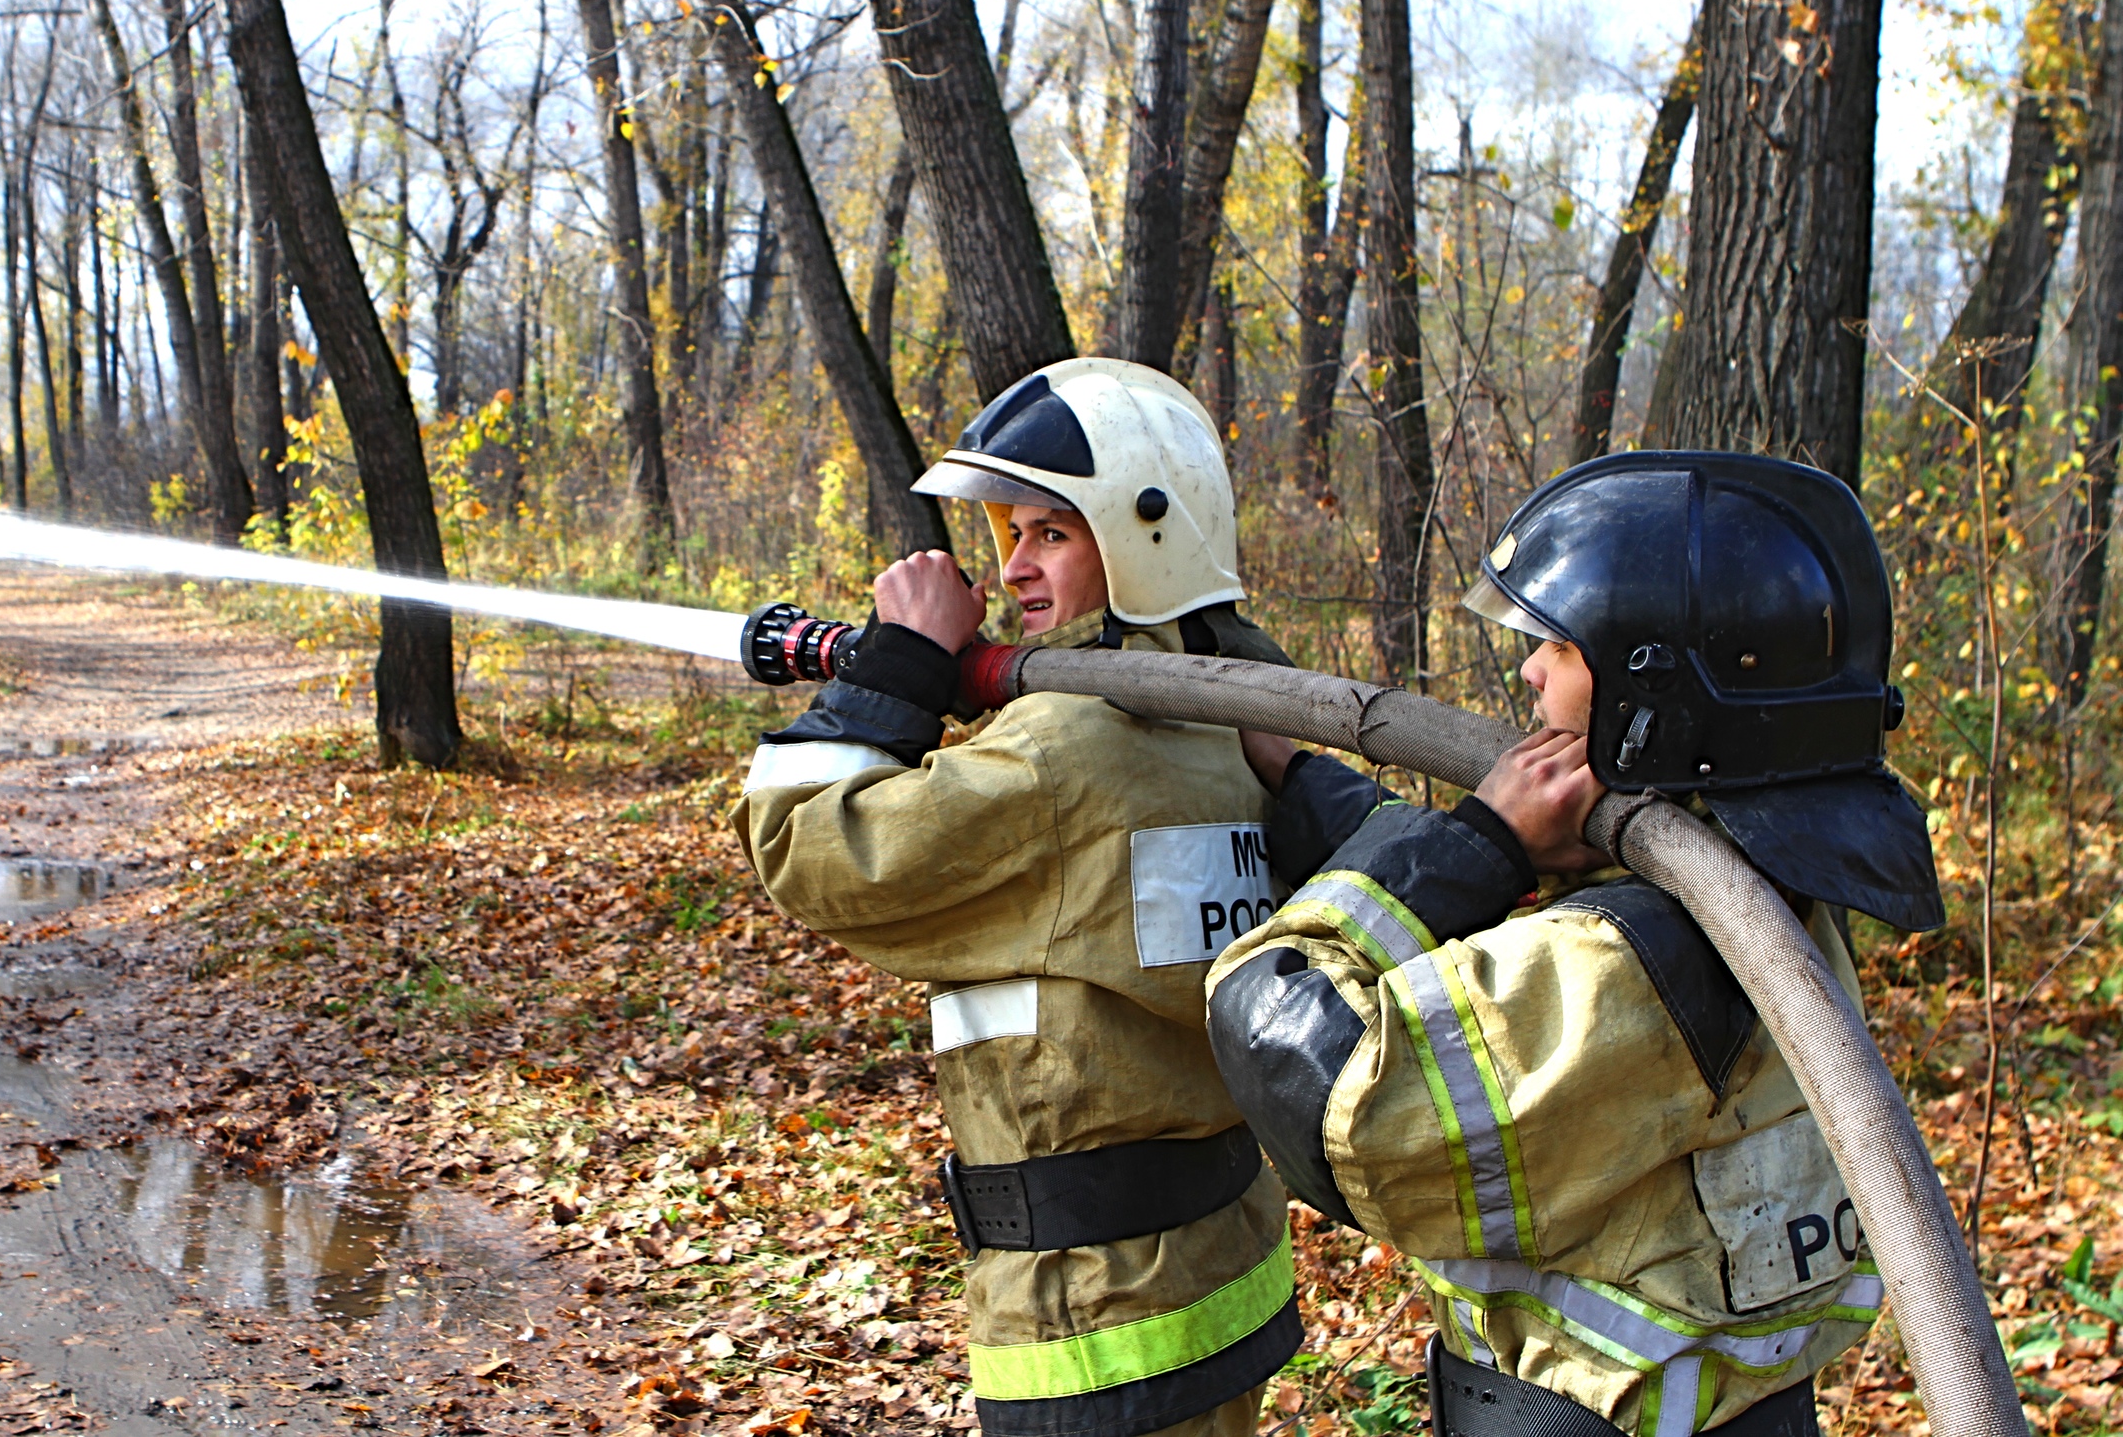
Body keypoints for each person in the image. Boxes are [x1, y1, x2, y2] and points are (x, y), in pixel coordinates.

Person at [1207, 452, 1941, 1437]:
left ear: (1655, 694)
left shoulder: (1627, 963)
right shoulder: (1757, 891)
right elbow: (1498, 935)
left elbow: (1293, 1057)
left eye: (1557, 645)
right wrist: (1309, 781)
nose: (1528, 670)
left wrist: (1484, 840)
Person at [735, 359, 1305, 1437]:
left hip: (1089, 1313)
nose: (1013, 567)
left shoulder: (1063, 750)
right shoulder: (1238, 710)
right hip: (1220, 1271)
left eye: (1051, 531)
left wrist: (896, 669)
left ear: (1143, 531)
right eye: (1007, 533)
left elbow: (807, 847)